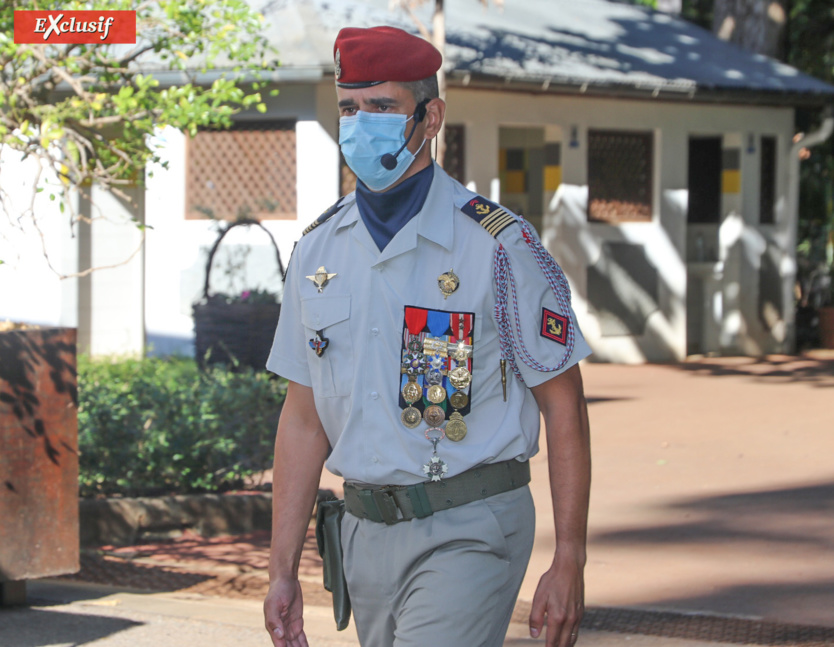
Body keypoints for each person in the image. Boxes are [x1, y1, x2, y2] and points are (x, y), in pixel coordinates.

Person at [263, 25, 592, 647]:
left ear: (431, 115)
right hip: (363, 536)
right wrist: (281, 569)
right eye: (349, 108)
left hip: (469, 525)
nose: (361, 124)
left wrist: (570, 556)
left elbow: (563, 402)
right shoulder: (316, 251)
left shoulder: (498, 245)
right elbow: (304, 419)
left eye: (383, 107)